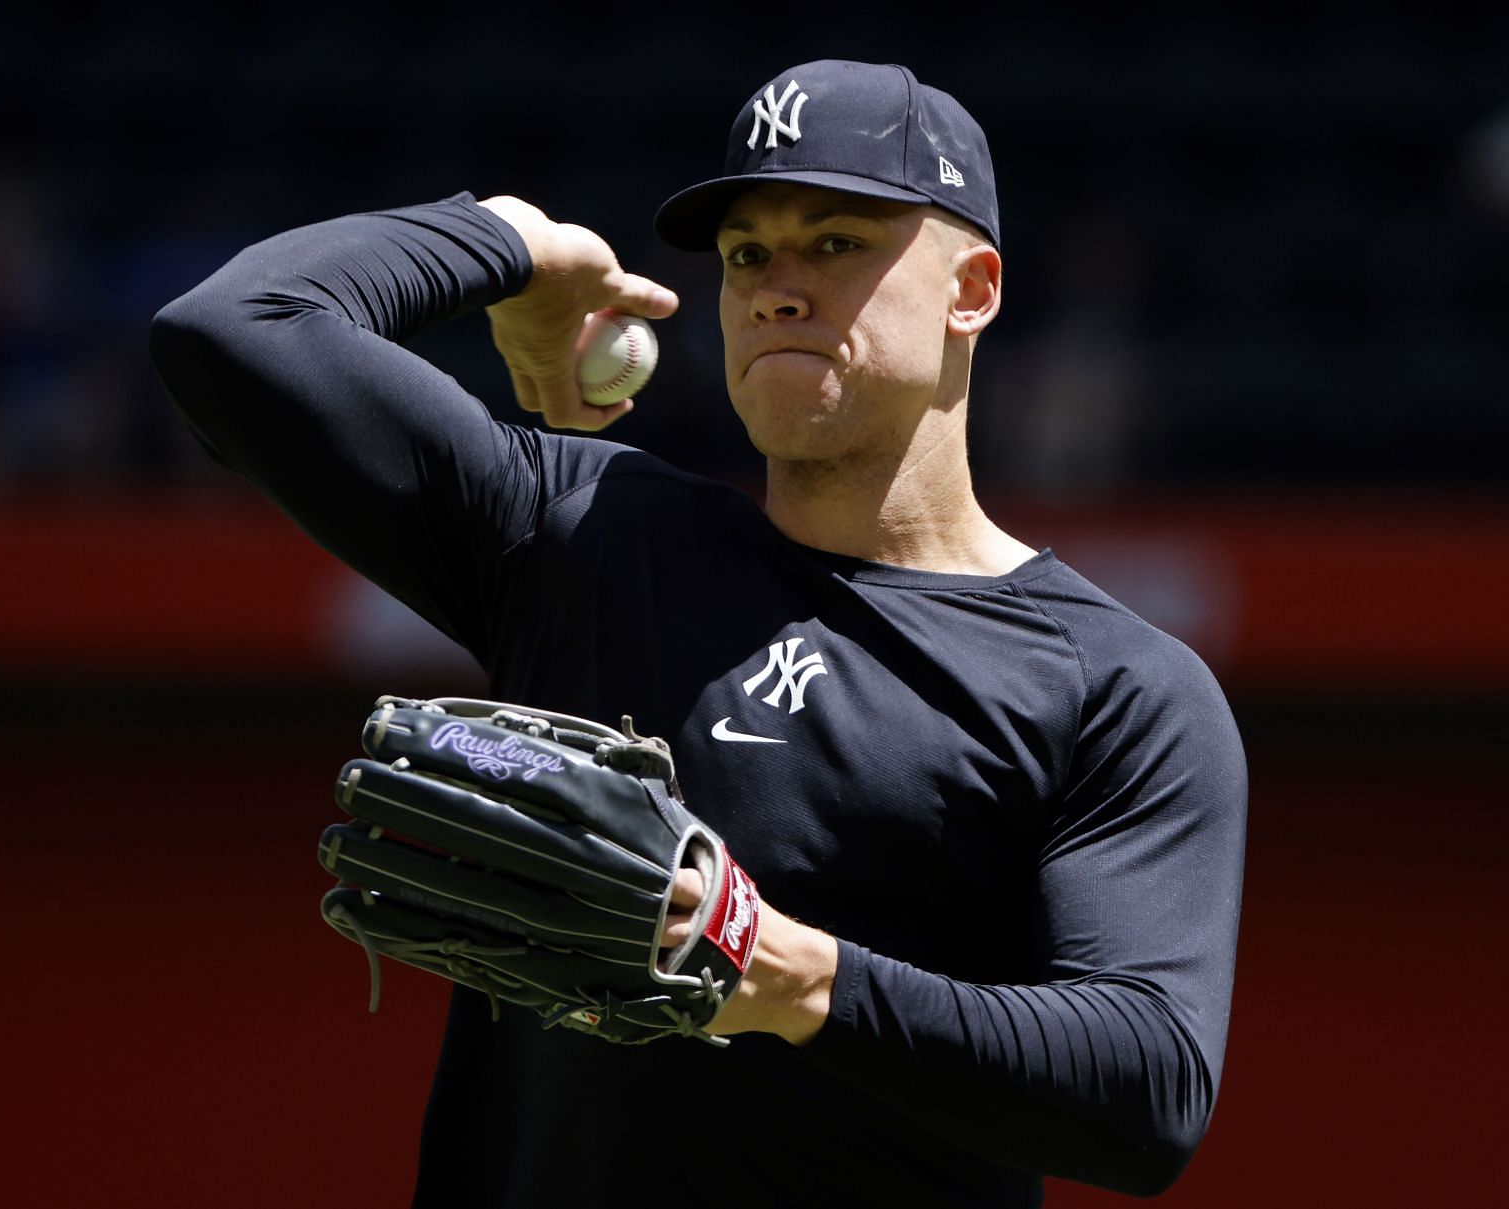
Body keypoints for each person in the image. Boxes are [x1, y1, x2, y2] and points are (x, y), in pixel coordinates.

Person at [151, 59, 1246, 1207]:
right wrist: (512, 241)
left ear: (972, 288)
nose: (779, 286)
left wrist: (776, 968)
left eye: (835, 243)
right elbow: (232, 331)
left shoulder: (1111, 684)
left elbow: (1147, 1089)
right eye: (745, 254)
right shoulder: (585, 536)